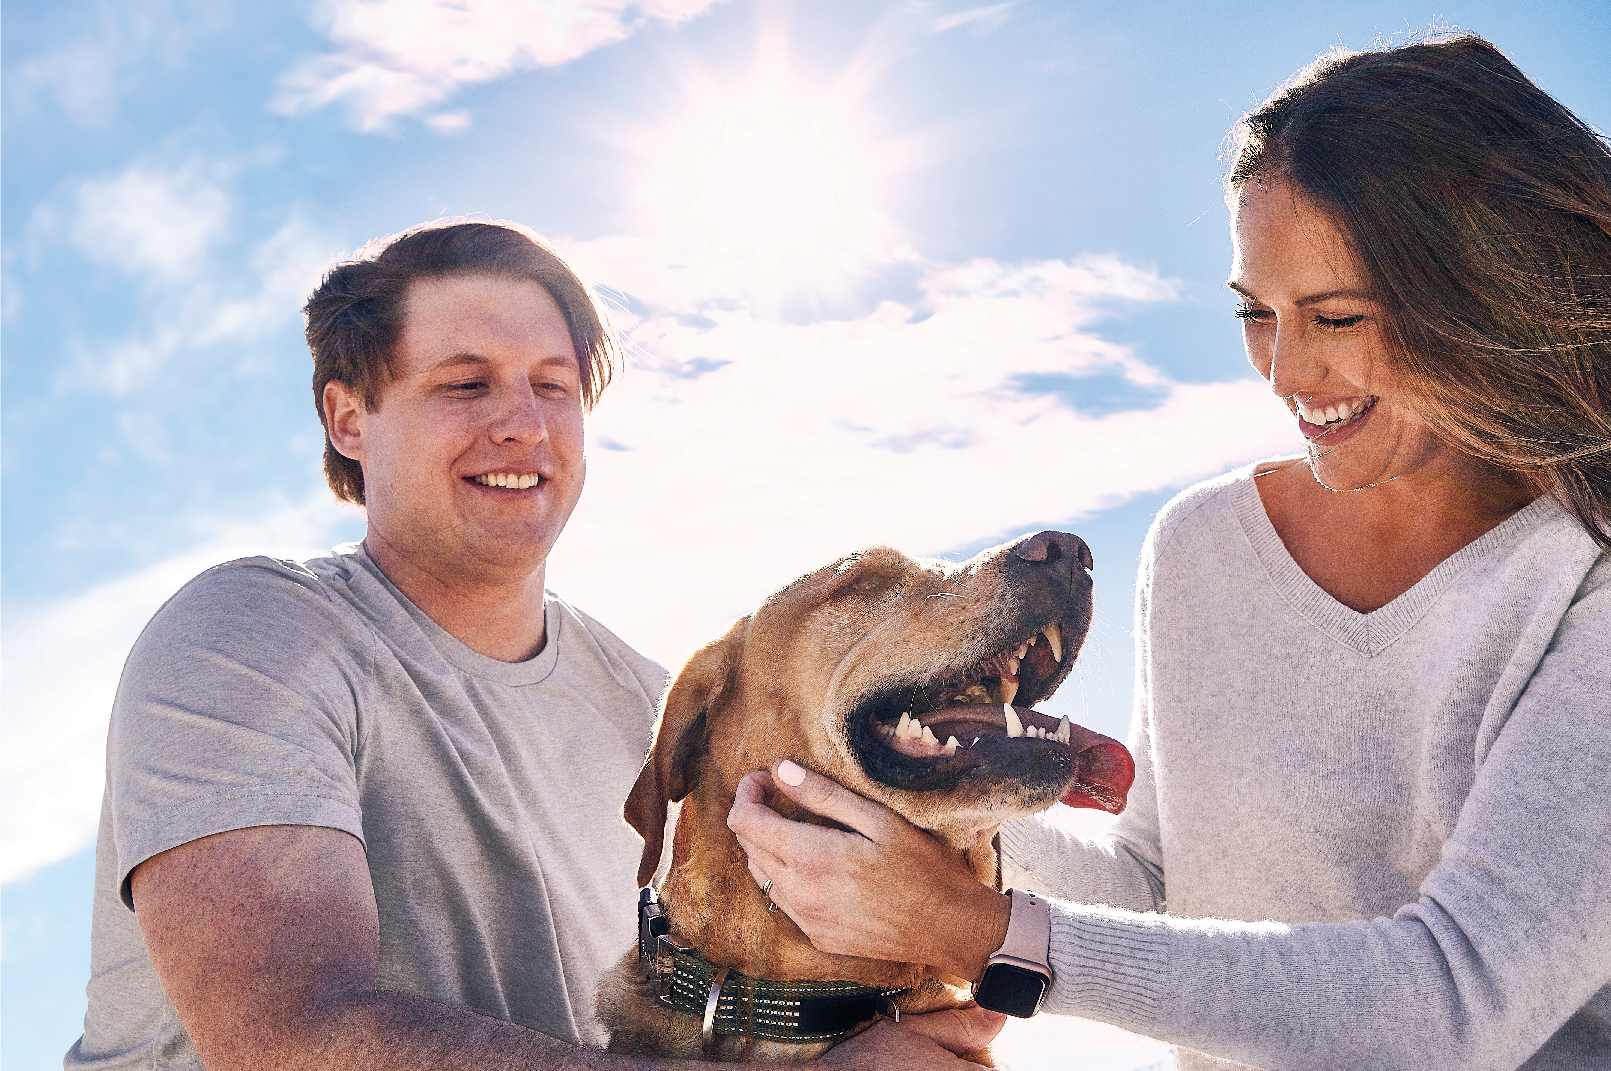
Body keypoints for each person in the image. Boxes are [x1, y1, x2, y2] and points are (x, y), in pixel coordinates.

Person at [728, 34, 1611, 1071]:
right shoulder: (1202, 545)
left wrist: (974, 932)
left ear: (1482, 293)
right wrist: (911, 784)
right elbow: (1161, 885)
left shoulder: (1583, 580)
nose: (1285, 374)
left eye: (1335, 317)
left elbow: (1453, 1003)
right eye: (1256, 315)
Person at [67, 220, 1002, 1070]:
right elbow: (291, 1038)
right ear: (348, 418)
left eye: (552, 385)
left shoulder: (652, 705)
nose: (522, 423)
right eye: (464, 383)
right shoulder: (249, 634)